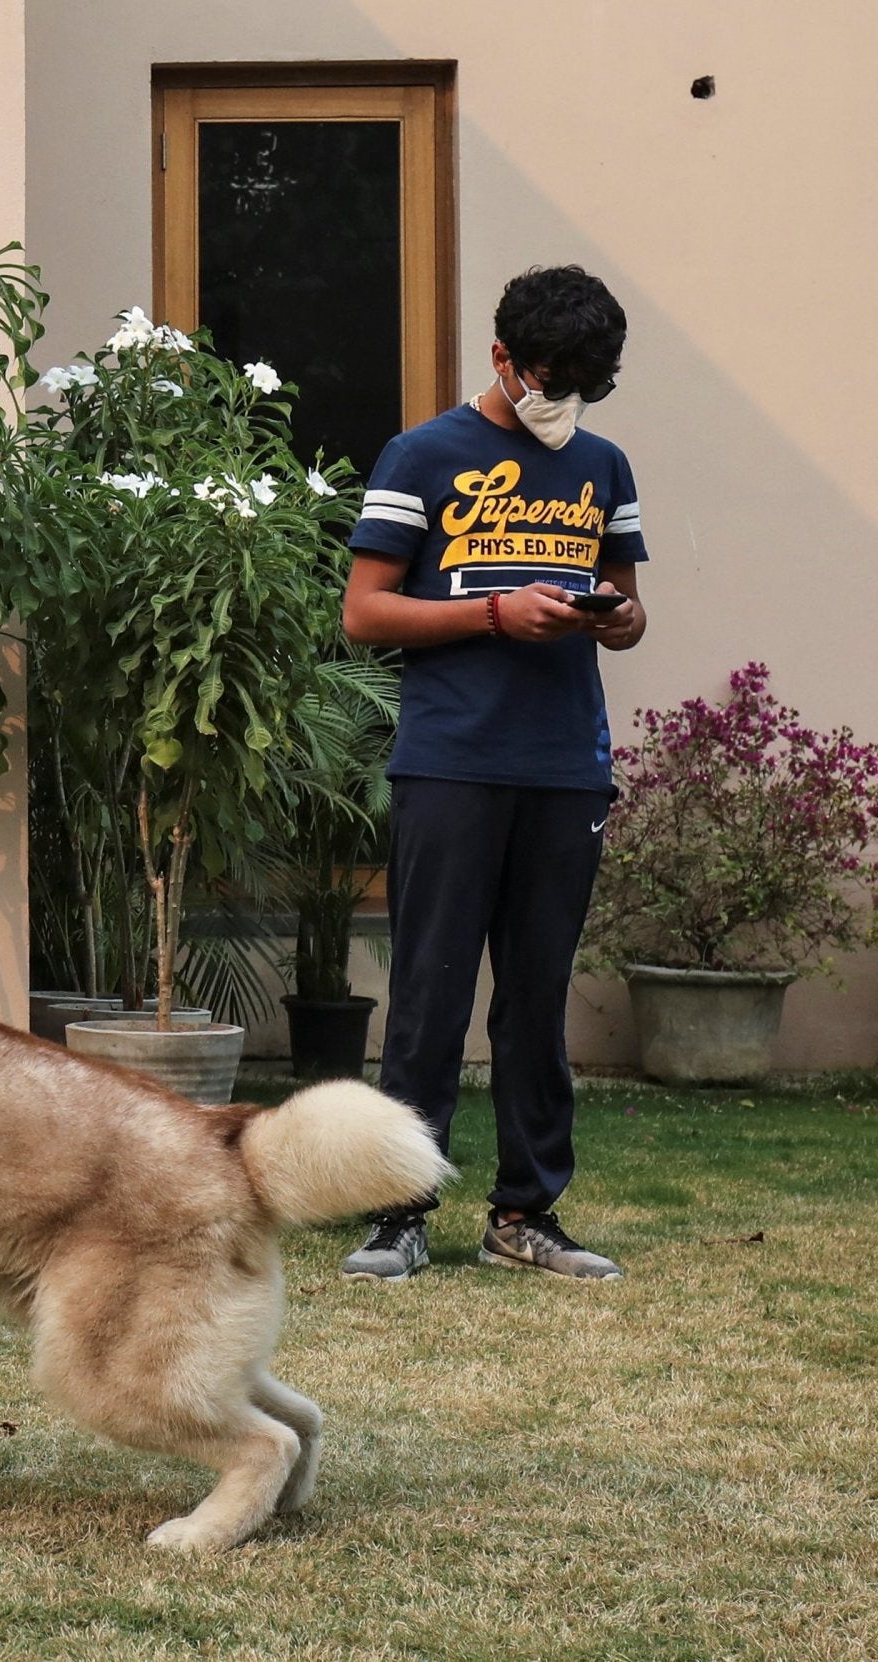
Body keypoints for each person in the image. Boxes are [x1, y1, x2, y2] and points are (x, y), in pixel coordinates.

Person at [338, 265, 649, 1283]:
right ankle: (398, 1211)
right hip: (451, 763)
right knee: (427, 994)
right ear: (500, 361)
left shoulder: (602, 465)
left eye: (583, 387)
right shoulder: (422, 456)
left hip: (563, 767)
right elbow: (364, 612)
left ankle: (524, 1216)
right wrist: (490, 613)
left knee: (534, 996)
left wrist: (614, 616)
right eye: (547, 380)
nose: (561, 403)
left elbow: (628, 606)